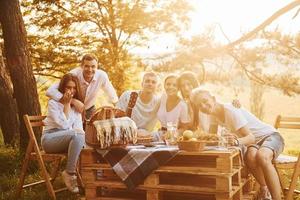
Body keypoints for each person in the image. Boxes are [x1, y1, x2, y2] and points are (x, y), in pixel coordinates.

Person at [191, 88, 284, 200]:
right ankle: (265, 190)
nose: (204, 106)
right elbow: (212, 137)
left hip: (271, 136)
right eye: (199, 105)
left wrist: (235, 141)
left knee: (262, 156)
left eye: (205, 101)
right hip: (255, 143)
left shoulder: (230, 110)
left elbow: (251, 137)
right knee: (249, 158)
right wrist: (198, 139)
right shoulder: (212, 116)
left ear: (213, 99)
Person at [42, 74, 85, 193]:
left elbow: (78, 129)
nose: (71, 91)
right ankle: (70, 173)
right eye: (68, 87)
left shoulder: (76, 107)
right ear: (62, 88)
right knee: (77, 135)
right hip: (50, 139)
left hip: (68, 138)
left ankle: (88, 177)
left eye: (74, 88)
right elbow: (65, 126)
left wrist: (72, 103)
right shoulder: (53, 103)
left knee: (82, 136)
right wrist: (66, 104)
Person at [46, 54, 118, 120]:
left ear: (97, 67)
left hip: (89, 108)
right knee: (74, 131)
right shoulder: (73, 74)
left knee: (94, 130)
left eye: (93, 66)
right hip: (72, 108)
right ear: (81, 66)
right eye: (86, 66)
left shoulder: (102, 76)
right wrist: (72, 101)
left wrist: (117, 108)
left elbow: (112, 94)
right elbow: (50, 91)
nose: (90, 70)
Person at [116, 71, 160, 138]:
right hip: (125, 135)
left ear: (157, 86)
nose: (150, 84)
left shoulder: (158, 102)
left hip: (145, 137)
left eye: (153, 82)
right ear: (142, 84)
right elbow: (116, 117)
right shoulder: (127, 96)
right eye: (147, 81)